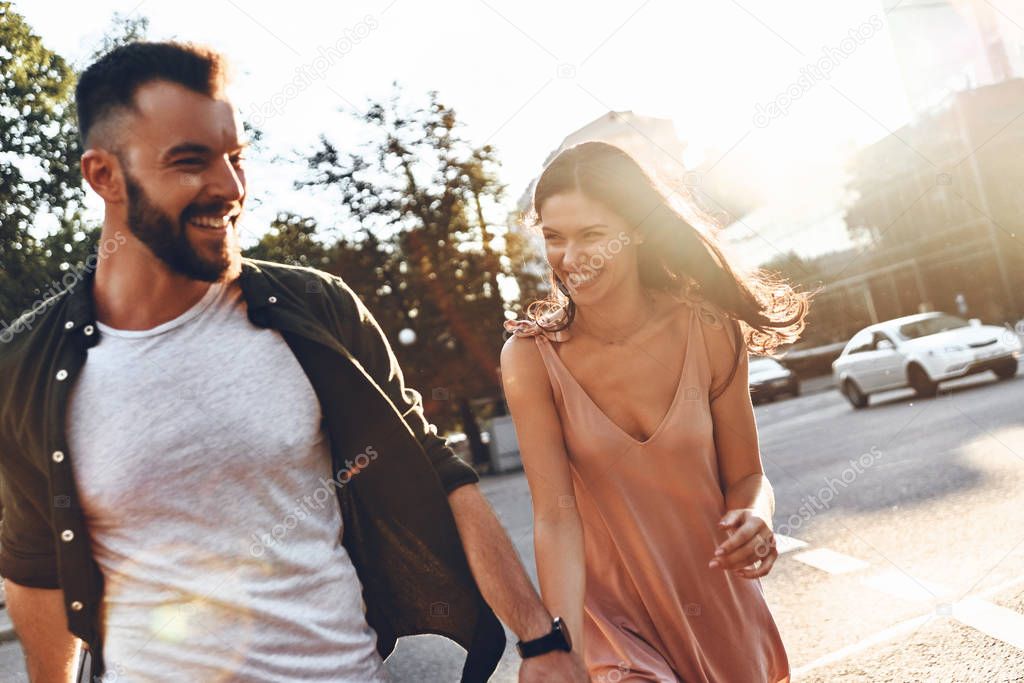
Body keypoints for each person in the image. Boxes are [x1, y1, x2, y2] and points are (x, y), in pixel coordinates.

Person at [0, 41, 587, 683]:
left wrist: (540, 641)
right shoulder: (27, 367)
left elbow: (435, 469)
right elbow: (35, 573)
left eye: (235, 157)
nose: (229, 187)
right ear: (104, 176)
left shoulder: (316, 311)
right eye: (190, 161)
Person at [501, 141, 808, 682]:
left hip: (719, 602)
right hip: (612, 625)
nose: (570, 259)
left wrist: (757, 516)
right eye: (553, 237)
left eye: (592, 235)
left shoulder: (710, 330)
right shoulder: (531, 359)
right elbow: (555, 515)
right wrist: (558, 647)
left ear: (637, 228)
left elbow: (746, 476)